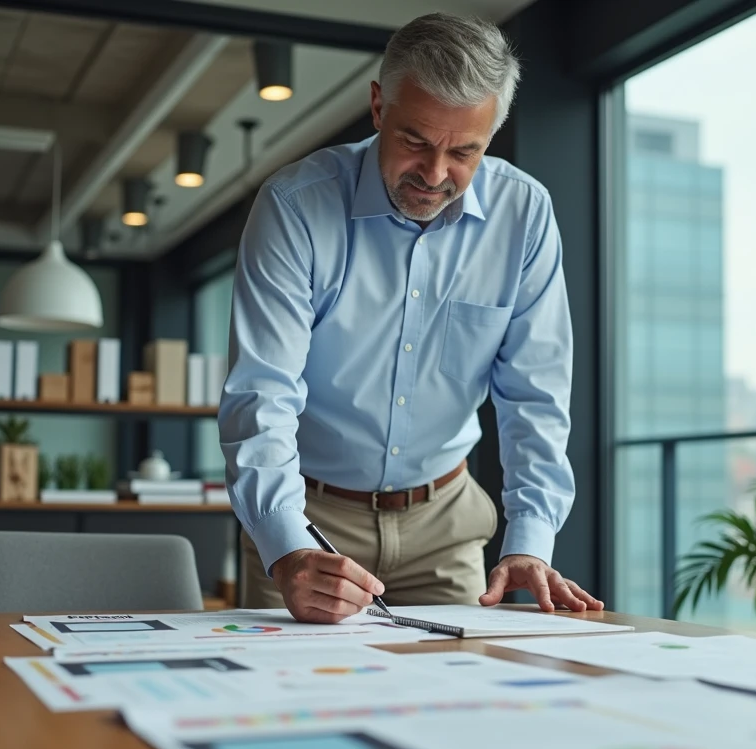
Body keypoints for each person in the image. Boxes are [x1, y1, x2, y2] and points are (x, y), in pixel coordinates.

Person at [219, 12, 604, 623]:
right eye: (416, 141)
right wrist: (285, 543)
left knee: (461, 683)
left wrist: (530, 540)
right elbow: (262, 391)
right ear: (379, 107)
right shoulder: (296, 207)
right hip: (312, 524)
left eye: (465, 151)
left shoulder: (524, 214)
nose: (435, 174)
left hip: (446, 522)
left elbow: (535, 396)